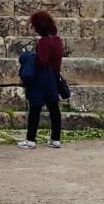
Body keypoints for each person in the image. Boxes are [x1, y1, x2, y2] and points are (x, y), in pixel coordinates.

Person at [18, 11, 63, 149]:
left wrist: (29, 58)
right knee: (54, 109)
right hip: (53, 77)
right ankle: (55, 139)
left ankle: (30, 140)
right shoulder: (57, 41)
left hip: (41, 79)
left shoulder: (44, 42)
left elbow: (42, 61)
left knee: (35, 108)